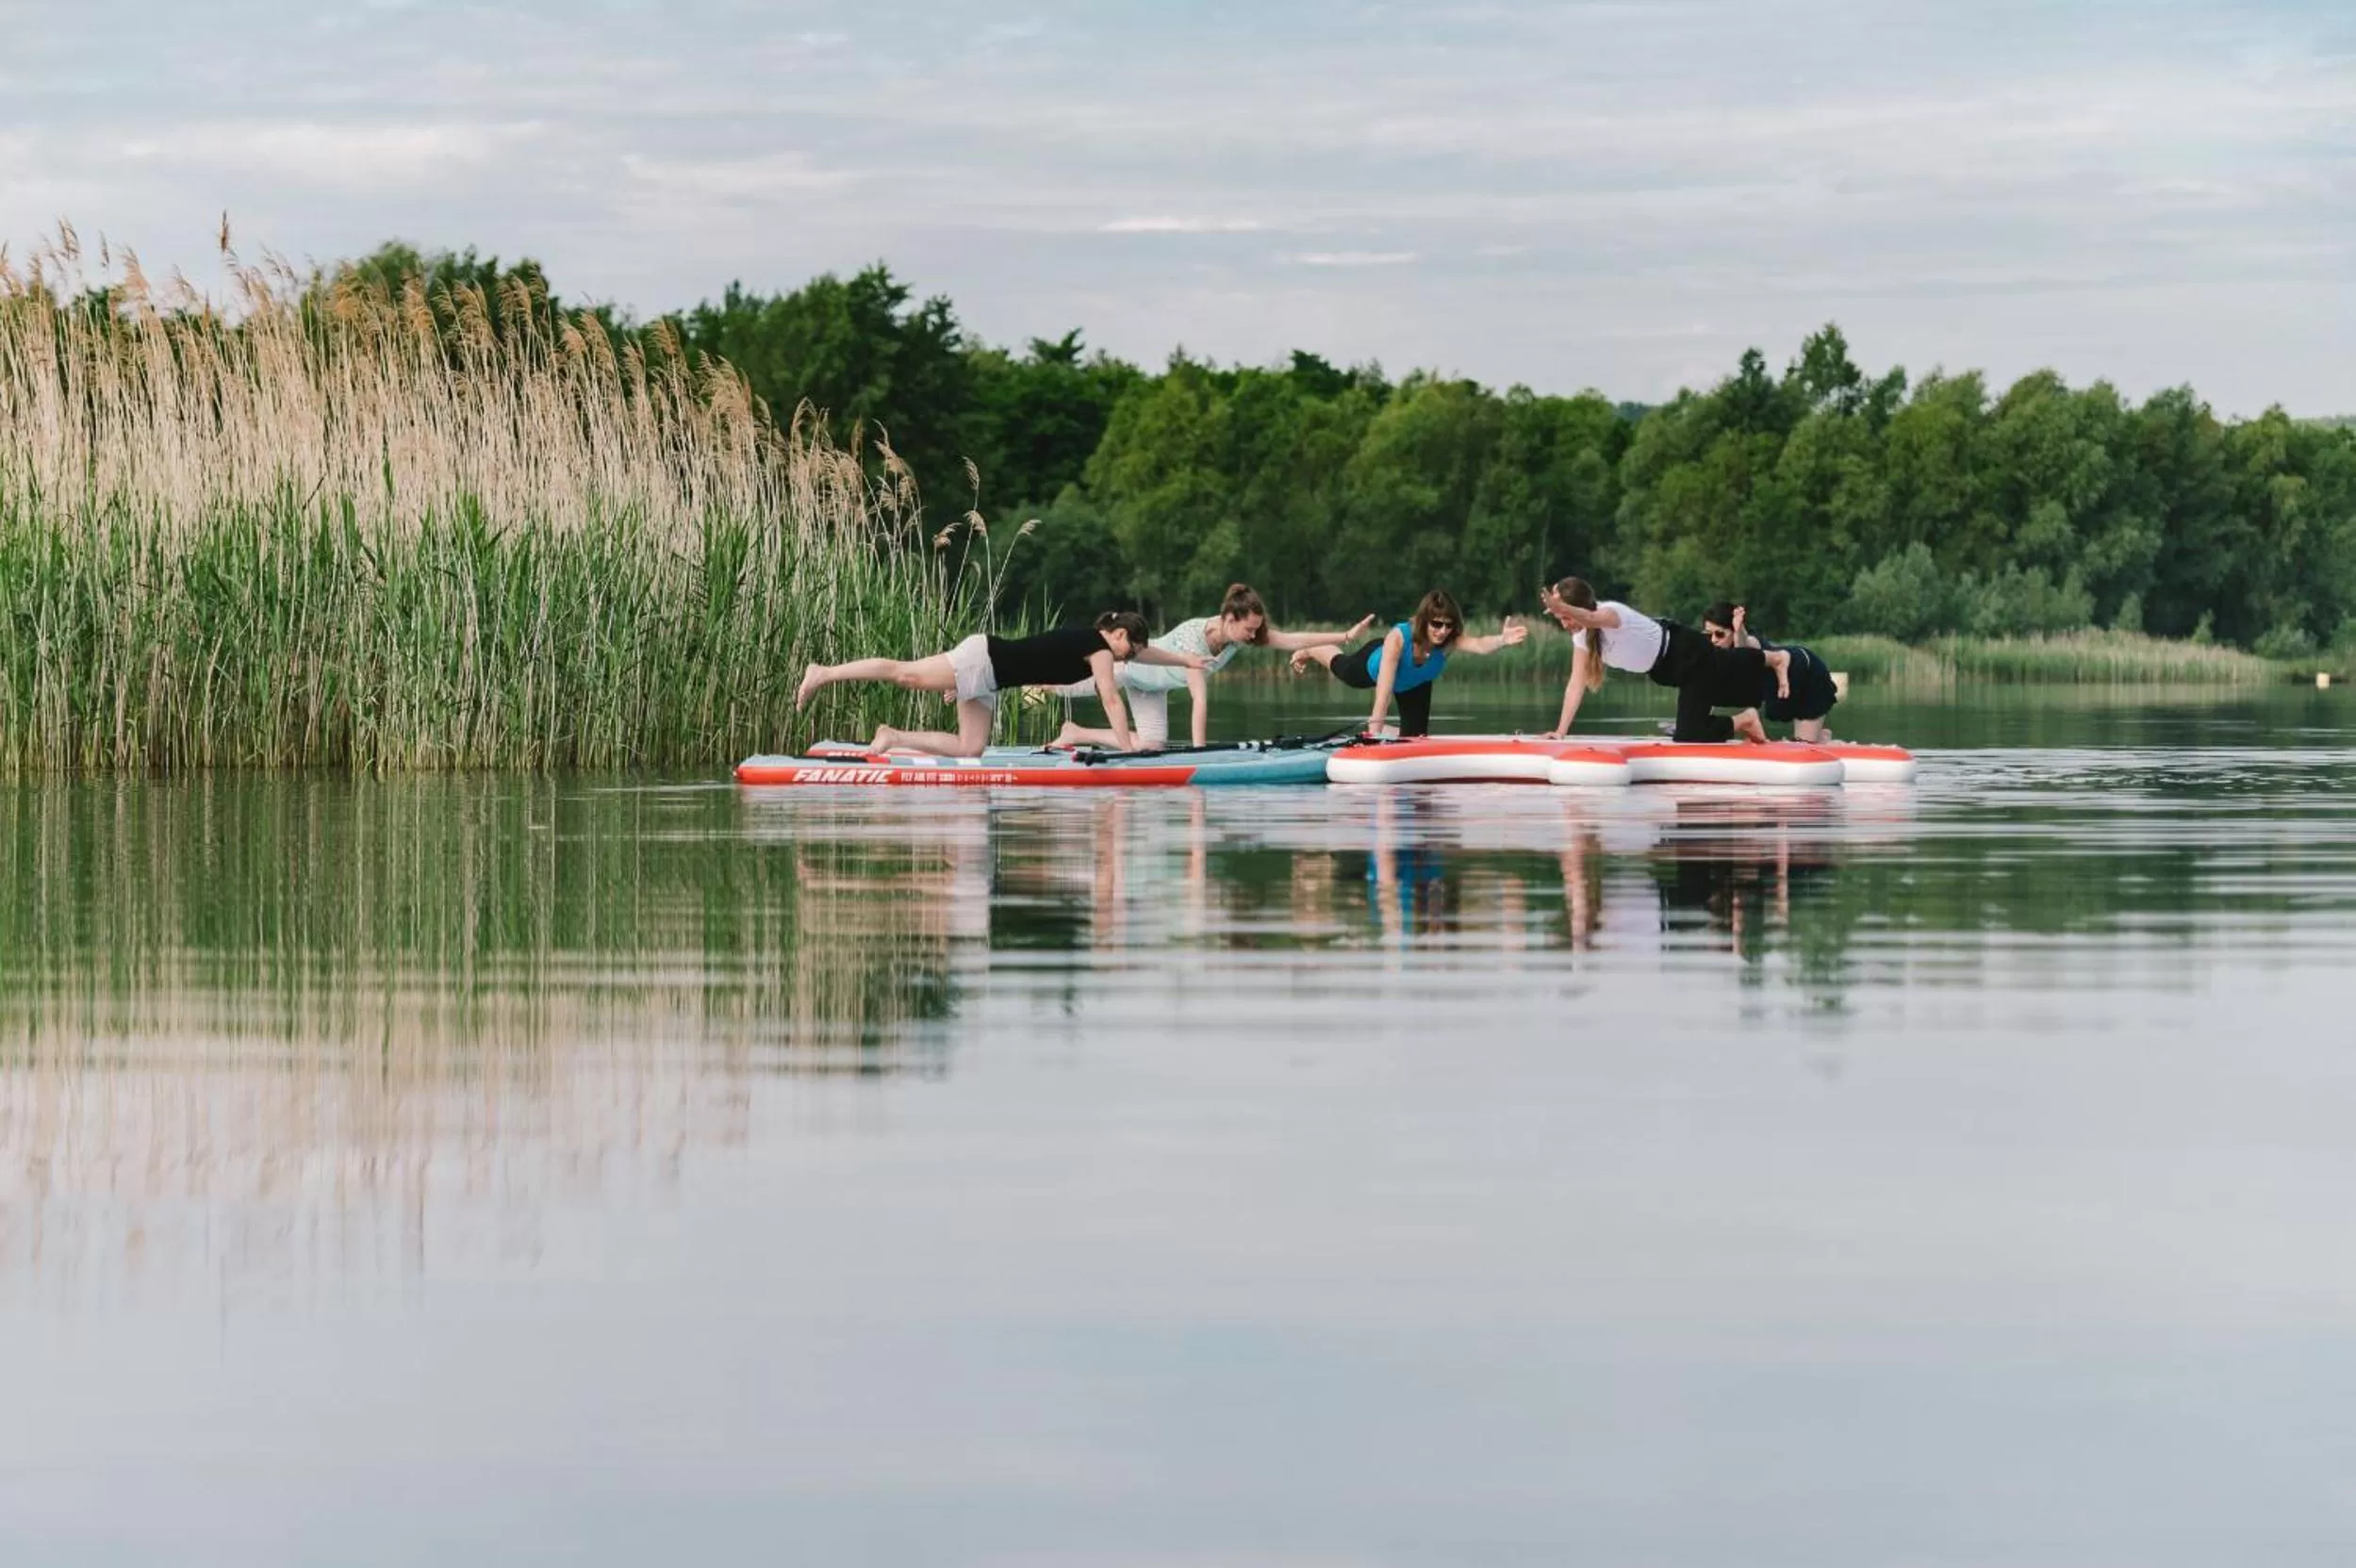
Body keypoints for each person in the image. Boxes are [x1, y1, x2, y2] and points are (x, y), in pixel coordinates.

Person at [794, 611, 1208, 758]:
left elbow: (1148, 653)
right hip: (983, 659)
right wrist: (1123, 753)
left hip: (989, 680)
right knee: (905, 673)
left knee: (970, 748)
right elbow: (1112, 701)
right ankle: (824, 672)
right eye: (1129, 650)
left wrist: (1186, 658)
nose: (1130, 657)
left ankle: (891, 736)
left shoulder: (1103, 644)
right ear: (1117, 635)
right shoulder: (1098, 648)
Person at [1050, 585, 1376, 751]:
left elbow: (1292, 639)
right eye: (1249, 629)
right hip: (1129, 669)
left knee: (1152, 747)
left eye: (1256, 630)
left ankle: (1075, 733)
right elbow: (1200, 701)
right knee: (1056, 685)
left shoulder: (1238, 638)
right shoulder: (1198, 638)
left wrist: (1346, 636)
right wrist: (1200, 754)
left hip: (1154, 688)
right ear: (1229, 619)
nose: (1253, 635)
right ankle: (1024, 681)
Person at [1538, 577, 1789, 743]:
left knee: (1728, 663)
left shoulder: (1611, 612)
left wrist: (1563, 607)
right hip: (1667, 671)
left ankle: (1775, 660)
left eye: (1567, 616)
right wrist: (1560, 732)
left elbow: (1592, 619)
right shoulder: (1581, 637)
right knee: (1697, 723)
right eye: (1560, 618)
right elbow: (1575, 684)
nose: (1565, 624)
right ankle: (1746, 718)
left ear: (1579, 608)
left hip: (1682, 649)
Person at [1290, 589, 1528, 737]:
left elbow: (1479, 645)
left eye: (1448, 625)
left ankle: (1382, 730)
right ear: (1424, 622)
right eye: (1436, 624)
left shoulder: (1448, 642)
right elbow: (1383, 697)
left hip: (1415, 683)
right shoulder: (1398, 638)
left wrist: (1502, 640)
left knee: (1416, 736)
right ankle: (1313, 647)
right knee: (1345, 669)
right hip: (1374, 665)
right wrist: (1372, 739)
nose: (1443, 631)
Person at [1700, 602, 1839, 742]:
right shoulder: (1713, 656)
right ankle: (1821, 738)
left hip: (1807, 673)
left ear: (1734, 632)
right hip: (1784, 686)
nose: (1713, 641)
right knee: (1801, 740)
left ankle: (1821, 741)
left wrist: (1739, 630)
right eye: (1708, 636)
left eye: (1719, 634)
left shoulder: (1749, 642)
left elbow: (1744, 649)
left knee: (1803, 745)